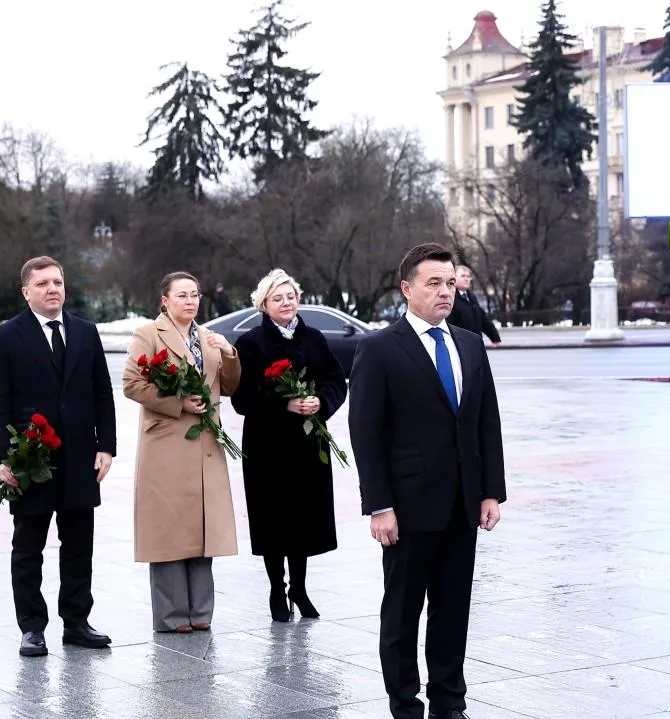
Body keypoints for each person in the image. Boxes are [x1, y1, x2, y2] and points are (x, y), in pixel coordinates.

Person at [349, 243, 507, 719]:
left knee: (453, 610)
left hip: (462, 503)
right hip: (407, 506)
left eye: (450, 282)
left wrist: (491, 492)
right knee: (402, 613)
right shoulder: (379, 348)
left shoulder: (469, 343)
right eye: (434, 283)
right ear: (407, 288)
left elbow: (486, 422)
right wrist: (379, 506)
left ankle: (449, 702)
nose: (446, 291)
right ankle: (404, 705)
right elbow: (367, 434)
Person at [0, 256, 117, 657]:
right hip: (31, 459)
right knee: (28, 548)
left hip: (81, 458)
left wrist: (106, 446)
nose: (52, 289)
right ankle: (32, 627)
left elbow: (102, 392)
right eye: (43, 283)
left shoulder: (85, 331)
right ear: (26, 291)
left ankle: (77, 622)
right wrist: (4, 458)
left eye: (57, 282)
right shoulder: (8, 335)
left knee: (79, 545)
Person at [122, 272, 241, 633]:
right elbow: (132, 384)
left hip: (206, 444)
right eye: (182, 295)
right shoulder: (148, 334)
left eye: (195, 295)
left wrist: (229, 353)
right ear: (165, 300)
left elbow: (229, 386)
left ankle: (201, 612)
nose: (190, 301)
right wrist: (178, 403)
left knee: (203, 527)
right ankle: (172, 615)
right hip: (167, 444)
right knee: (169, 529)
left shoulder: (207, 337)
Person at [231, 269, 346, 623]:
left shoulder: (314, 338)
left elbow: (335, 380)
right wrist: (284, 404)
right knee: (273, 518)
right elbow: (242, 398)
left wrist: (320, 401)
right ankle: (275, 589)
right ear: (263, 305)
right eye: (277, 298)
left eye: (291, 297)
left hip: (308, 443)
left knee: (303, 517)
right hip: (267, 446)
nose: (286, 303)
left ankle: (299, 587)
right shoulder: (251, 343)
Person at [446, 265, 501, 347]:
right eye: (463, 276)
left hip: (475, 344)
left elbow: (482, 319)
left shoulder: (471, 297)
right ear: (454, 278)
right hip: (459, 345)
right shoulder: (449, 297)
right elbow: (448, 324)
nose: (466, 279)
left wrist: (495, 338)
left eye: (468, 276)